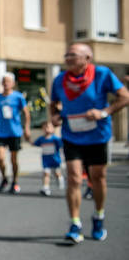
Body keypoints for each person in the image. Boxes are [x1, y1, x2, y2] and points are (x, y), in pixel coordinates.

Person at [49, 42, 129, 244]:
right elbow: (54, 104)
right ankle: (75, 223)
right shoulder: (60, 79)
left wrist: (103, 112)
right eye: (66, 54)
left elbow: (124, 97)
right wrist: (55, 117)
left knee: (97, 177)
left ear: (87, 58)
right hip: (71, 135)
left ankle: (98, 216)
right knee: (74, 178)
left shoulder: (102, 74)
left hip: (98, 135)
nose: (67, 58)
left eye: (73, 55)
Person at [0, 72, 30, 194]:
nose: (6, 83)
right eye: (4, 81)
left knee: (13, 160)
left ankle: (15, 181)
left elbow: (26, 113)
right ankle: (4, 179)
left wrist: (26, 129)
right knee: (1, 158)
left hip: (15, 132)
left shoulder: (18, 97)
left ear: (13, 83)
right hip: (1, 132)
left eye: (8, 81)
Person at [32, 120, 63, 196]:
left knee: (57, 173)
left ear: (53, 129)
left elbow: (62, 145)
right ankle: (46, 188)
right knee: (46, 174)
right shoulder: (41, 139)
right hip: (46, 160)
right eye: (44, 127)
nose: (46, 129)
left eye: (48, 127)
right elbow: (34, 143)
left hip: (55, 160)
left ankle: (60, 179)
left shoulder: (55, 139)